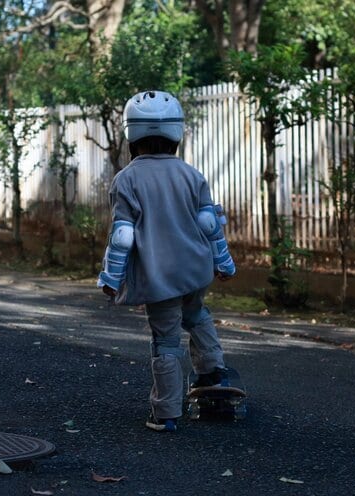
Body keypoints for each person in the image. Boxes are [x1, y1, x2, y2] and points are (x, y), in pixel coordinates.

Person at [97, 90, 237, 432]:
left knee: (167, 340)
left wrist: (111, 278)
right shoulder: (192, 174)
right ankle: (212, 371)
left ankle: (166, 411)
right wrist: (225, 263)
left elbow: (123, 236)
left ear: (132, 134)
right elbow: (209, 224)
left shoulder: (126, 179)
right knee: (197, 314)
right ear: (177, 132)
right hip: (195, 269)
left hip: (159, 279)